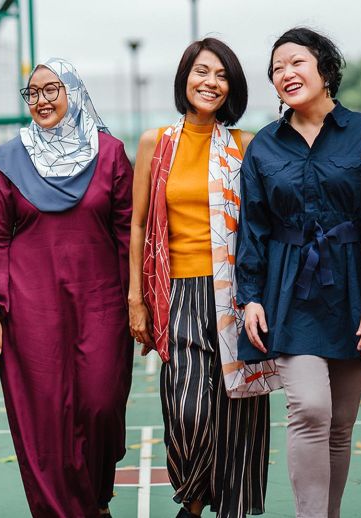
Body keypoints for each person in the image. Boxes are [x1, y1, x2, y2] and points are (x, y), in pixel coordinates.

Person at [235, 28, 361, 517]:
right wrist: (251, 296)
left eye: (295, 62)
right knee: (309, 409)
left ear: (325, 68)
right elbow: (254, 227)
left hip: (355, 290)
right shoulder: (264, 147)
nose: (285, 74)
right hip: (288, 291)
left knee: (341, 424)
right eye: (276, 69)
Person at [0, 58, 133, 518]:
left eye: (51, 89)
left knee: (101, 405)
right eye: (32, 92)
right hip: (31, 310)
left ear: (74, 92)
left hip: (102, 304)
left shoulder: (110, 152)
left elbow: (127, 234)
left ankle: (95, 498)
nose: (41, 100)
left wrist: (138, 303)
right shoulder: (8, 160)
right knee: (45, 420)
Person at [128, 38, 276, 518]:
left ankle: (227, 507)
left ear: (230, 88)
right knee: (187, 409)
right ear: (184, 77)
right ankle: (192, 500)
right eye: (202, 72)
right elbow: (137, 223)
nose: (210, 83)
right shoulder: (158, 142)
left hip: (235, 292)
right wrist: (137, 297)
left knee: (238, 409)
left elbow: (265, 219)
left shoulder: (244, 145)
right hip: (178, 293)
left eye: (221, 76)